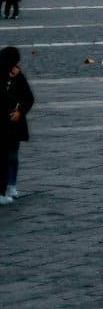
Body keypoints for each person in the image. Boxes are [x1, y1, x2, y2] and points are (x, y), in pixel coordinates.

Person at [0, 45, 34, 203]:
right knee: (4, 156)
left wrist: (20, 112)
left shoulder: (18, 76)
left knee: (12, 155)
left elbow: (28, 97)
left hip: (14, 123)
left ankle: (11, 185)